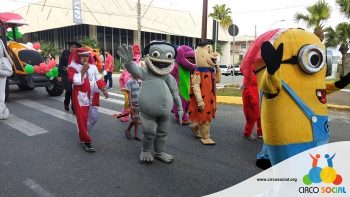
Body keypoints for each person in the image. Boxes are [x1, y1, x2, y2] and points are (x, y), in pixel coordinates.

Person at [67, 47, 109, 152]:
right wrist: (83, 71)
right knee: (82, 119)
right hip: (80, 96)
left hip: (93, 95)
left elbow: (98, 79)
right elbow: (74, 81)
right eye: (82, 56)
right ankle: (85, 140)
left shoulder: (93, 67)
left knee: (94, 117)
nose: (84, 58)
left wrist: (104, 90)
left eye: (86, 55)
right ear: (78, 56)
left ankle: (83, 130)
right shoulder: (73, 67)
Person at [57, 41, 82, 113]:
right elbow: (60, 64)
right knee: (69, 90)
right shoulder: (65, 52)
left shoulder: (77, 54)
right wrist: (59, 75)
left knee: (74, 91)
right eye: (74, 47)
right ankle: (66, 103)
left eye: (76, 47)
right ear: (70, 47)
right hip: (65, 74)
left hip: (74, 74)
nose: (75, 48)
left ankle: (74, 107)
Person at [124, 75, 142, 141]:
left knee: (137, 120)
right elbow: (129, 94)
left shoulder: (140, 80)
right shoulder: (129, 81)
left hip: (140, 103)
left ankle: (136, 135)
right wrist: (130, 105)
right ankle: (128, 130)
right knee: (135, 119)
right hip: (133, 104)